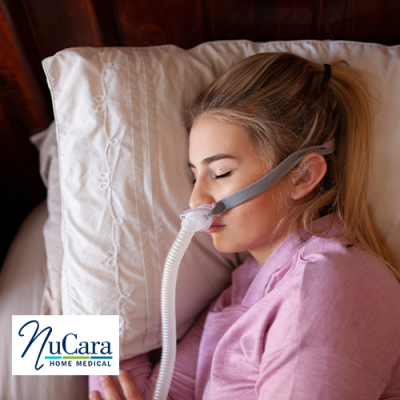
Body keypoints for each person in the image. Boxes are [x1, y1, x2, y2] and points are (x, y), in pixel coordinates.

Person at [89, 52, 400, 400]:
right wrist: (75, 295)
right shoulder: (245, 287)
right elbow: (148, 393)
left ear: (303, 175)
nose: (196, 201)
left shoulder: (325, 286)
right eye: (194, 176)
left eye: (220, 173)